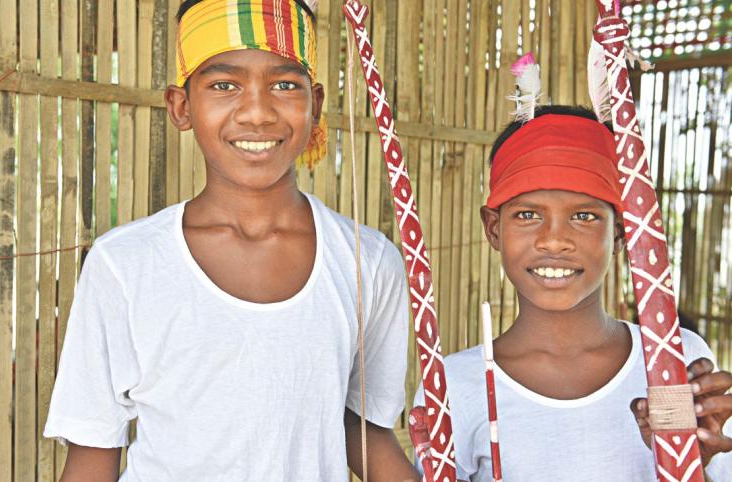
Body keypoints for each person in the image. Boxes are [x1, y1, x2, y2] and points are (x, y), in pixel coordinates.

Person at [44, 1, 419, 480]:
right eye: (224, 85)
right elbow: (94, 453)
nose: (258, 113)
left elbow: (360, 431)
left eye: (285, 85)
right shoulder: (125, 265)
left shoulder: (368, 261)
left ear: (316, 103)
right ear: (181, 107)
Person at [414, 105, 732, 481]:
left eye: (584, 216)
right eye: (528, 214)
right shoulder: (452, 386)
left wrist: (690, 464)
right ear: (494, 228)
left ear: (619, 233)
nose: (554, 240)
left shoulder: (676, 360)